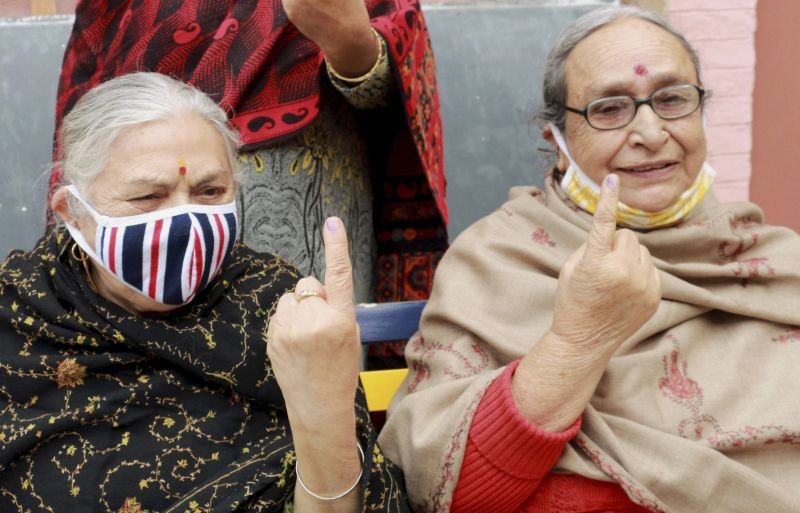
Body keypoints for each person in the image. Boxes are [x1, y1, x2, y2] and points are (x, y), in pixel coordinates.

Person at [378, 6, 800, 513]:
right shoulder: (498, 260)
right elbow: (450, 493)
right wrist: (579, 341)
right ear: (557, 143)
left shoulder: (772, 263)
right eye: (609, 109)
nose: (650, 132)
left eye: (672, 100)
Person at [0, 72, 409, 513]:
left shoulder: (280, 306)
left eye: (209, 191)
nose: (185, 220)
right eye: (147, 196)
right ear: (73, 212)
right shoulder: (18, 316)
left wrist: (324, 409)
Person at [51, 0, 449, 367]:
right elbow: (91, 95)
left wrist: (349, 41)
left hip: (301, 201)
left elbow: (391, 78)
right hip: (130, 221)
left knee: (297, 364)